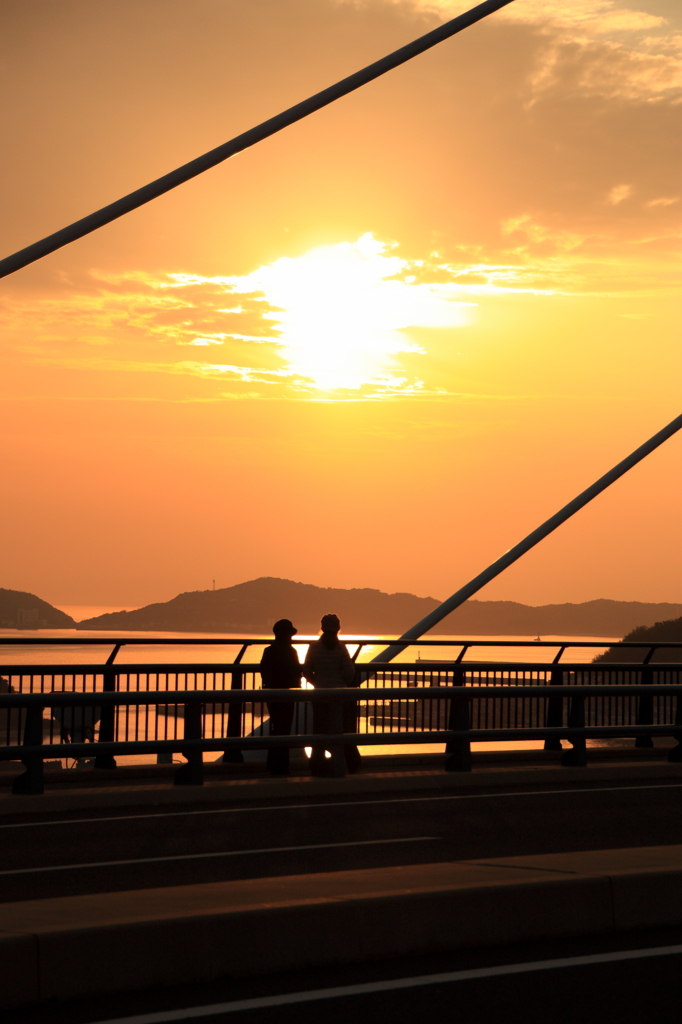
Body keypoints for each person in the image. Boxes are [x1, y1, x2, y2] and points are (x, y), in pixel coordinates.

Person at [304, 613, 362, 776]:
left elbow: (307, 671)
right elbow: (350, 671)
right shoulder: (341, 648)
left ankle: (316, 765)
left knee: (319, 730)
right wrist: (341, 683)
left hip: (320, 694)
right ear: (338, 629)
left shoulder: (313, 647)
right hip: (339, 695)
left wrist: (317, 683)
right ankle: (341, 764)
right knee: (340, 730)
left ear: (322, 628)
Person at [260, 619, 303, 776]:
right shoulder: (291, 652)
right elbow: (296, 672)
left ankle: (272, 763)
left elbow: (263, 671)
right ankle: (282, 766)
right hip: (287, 694)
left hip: (272, 694)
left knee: (275, 728)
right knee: (284, 729)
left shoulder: (268, 651)